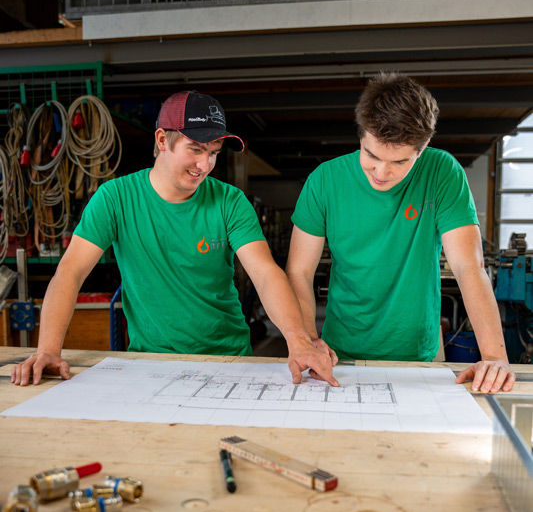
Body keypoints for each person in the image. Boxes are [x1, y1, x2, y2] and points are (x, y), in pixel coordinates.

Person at [12, 90, 337, 387]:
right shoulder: (115, 199)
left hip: (229, 359)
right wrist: (48, 350)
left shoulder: (230, 202)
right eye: (195, 149)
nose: (205, 164)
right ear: (162, 139)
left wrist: (299, 342)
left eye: (214, 152)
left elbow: (265, 274)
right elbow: (71, 272)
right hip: (149, 361)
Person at [286, 72, 515, 394]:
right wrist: (309, 340)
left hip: (419, 351)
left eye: (399, 162)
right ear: (361, 134)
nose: (381, 173)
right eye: (371, 155)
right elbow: (299, 271)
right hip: (339, 353)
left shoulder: (442, 172)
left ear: (422, 150)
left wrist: (495, 356)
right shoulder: (325, 180)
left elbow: (469, 267)